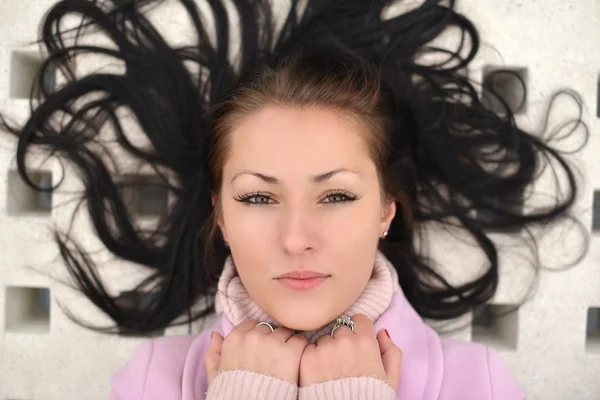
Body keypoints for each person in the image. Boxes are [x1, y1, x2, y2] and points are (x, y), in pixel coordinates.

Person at [1, 0, 584, 398]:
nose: (296, 237)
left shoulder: (479, 385)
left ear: (387, 211)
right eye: (257, 198)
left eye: (335, 195)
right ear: (221, 216)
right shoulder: (149, 381)